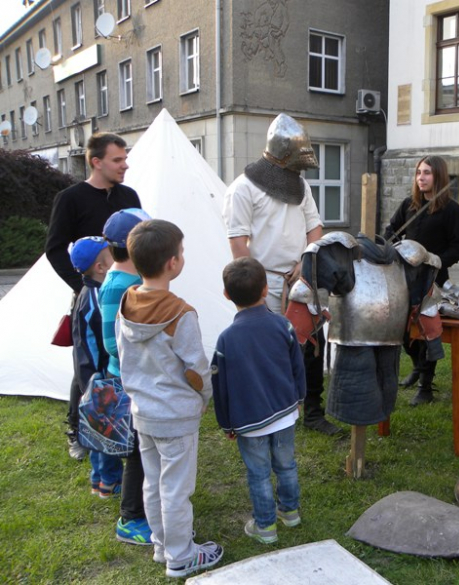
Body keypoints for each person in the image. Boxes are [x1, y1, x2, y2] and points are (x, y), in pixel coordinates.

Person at [117, 219, 223, 578]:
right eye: (181, 252)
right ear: (173, 263)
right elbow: (196, 370)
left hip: (142, 413)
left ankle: (163, 545)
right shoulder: (181, 313)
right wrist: (205, 398)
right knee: (176, 489)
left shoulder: (125, 302)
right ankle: (180, 556)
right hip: (176, 417)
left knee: (153, 481)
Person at [222, 113, 339, 435]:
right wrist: (255, 287)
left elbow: (315, 227)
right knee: (272, 350)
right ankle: (274, 413)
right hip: (266, 282)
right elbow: (238, 243)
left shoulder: (299, 184)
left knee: (313, 345)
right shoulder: (242, 190)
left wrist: (306, 259)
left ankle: (313, 411)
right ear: (284, 153)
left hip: (301, 278)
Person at [45, 132, 141, 460]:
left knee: (124, 359)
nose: (124, 165)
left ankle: (127, 421)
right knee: (87, 365)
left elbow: (141, 243)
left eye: (125, 158)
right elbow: (55, 248)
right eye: (118, 159)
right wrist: (83, 286)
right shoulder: (70, 198)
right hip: (90, 298)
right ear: (96, 162)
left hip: (128, 296)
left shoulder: (129, 195)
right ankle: (78, 428)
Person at [211, 257, 306, 545]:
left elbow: (220, 387)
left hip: (249, 421)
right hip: (285, 412)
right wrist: (299, 397)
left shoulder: (225, 340)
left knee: (259, 473)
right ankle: (290, 513)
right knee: (286, 465)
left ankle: (266, 526)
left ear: (226, 295)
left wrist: (226, 423)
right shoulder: (283, 326)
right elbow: (297, 367)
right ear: (266, 290)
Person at [384, 155, 459, 405]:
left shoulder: (453, 211)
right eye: (419, 172)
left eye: (427, 173)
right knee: (402, 332)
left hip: (433, 280)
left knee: (428, 331)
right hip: (404, 278)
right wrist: (390, 246)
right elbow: (392, 230)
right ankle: (417, 367)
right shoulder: (408, 205)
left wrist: (437, 260)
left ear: (439, 176)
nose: (421, 177)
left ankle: (425, 387)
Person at [99, 208, 153, 546]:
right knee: (136, 451)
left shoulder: (125, 280)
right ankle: (131, 518)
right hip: (128, 381)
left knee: (143, 450)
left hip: (136, 379)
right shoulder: (123, 285)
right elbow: (110, 342)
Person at [69, 236, 124, 498]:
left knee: (98, 427)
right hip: (97, 374)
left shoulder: (86, 293)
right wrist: (99, 378)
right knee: (105, 430)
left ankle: (98, 479)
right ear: (101, 268)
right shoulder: (96, 297)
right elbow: (102, 341)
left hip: (90, 373)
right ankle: (109, 483)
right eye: (112, 255)